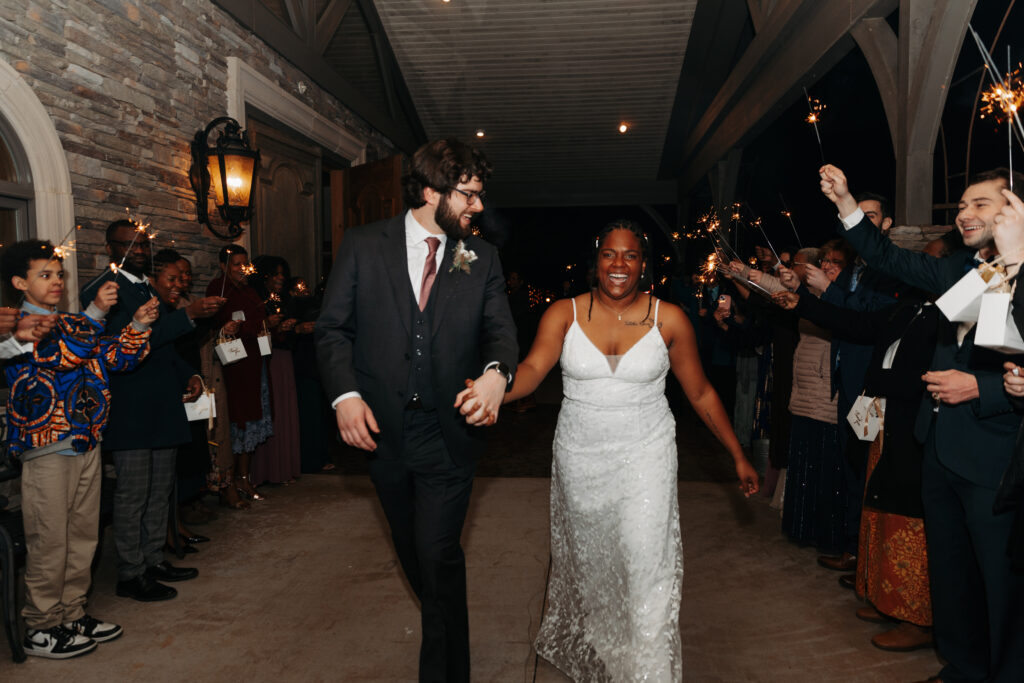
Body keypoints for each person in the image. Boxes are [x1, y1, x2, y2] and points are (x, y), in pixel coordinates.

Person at [459, 221, 758, 680]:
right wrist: (492, 388)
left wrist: (737, 454)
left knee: (646, 565)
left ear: (644, 264)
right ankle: (613, 656)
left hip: (647, 454)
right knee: (597, 570)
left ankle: (650, 671)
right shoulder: (564, 313)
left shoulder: (670, 318)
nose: (619, 265)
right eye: (610, 255)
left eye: (631, 256)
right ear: (596, 260)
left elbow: (700, 394)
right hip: (581, 458)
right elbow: (535, 371)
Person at [315, 137, 518, 682]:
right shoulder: (362, 245)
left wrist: (498, 376)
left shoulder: (483, 258)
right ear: (431, 191)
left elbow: (501, 333)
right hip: (382, 433)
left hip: (448, 433)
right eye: (468, 195)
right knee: (418, 556)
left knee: (437, 551)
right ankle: (445, 623)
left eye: (479, 195)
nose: (478, 206)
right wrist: (345, 394)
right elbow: (332, 329)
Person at [820, 164, 1024, 683]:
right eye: (961, 205)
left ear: (1014, 211)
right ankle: (963, 666)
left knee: (999, 583)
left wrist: (984, 388)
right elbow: (887, 256)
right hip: (939, 446)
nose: (963, 213)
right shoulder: (965, 269)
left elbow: (1010, 357)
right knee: (951, 572)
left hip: (993, 458)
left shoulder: (1017, 271)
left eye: (980, 203)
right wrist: (846, 202)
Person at [3, 239, 156, 657]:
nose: (56, 281)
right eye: (44, 275)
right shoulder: (16, 328)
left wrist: (138, 325)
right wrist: (97, 313)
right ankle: (40, 624)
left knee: (83, 536)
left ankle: (70, 613)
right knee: (50, 538)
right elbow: (62, 358)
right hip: (48, 446)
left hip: (87, 440)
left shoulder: (72, 321)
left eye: (58, 274)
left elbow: (114, 358)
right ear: (20, 282)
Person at [81, 219, 222, 602]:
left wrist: (189, 373)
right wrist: (188, 315)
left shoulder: (146, 287)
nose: (139, 252)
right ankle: (130, 573)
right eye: (130, 246)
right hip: (132, 408)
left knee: (161, 491)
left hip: (162, 403)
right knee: (133, 495)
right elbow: (123, 347)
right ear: (110, 247)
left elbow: (159, 346)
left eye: (143, 245)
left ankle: (152, 559)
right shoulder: (103, 291)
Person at [206, 245, 279, 503]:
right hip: (234, 366)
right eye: (236, 264)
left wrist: (269, 325)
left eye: (244, 264)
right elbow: (216, 324)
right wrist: (257, 325)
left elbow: (259, 319)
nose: (241, 269)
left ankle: (245, 478)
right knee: (236, 423)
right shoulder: (218, 289)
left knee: (251, 421)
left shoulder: (249, 290)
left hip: (255, 364)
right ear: (223, 266)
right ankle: (230, 483)